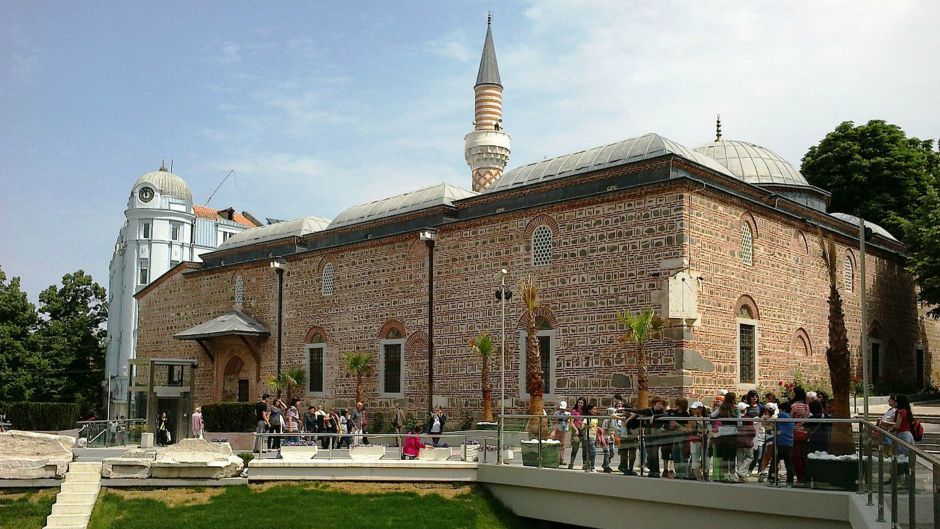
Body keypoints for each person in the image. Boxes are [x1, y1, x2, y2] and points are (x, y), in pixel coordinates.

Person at [769, 402, 795, 487]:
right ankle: (790, 481)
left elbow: (773, 418)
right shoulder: (790, 418)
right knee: (789, 463)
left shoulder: (782, 415)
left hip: (779, 443)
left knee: (774, 462)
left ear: (783, 410)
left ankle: (772, 479)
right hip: (789, 444)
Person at [789, 386, 810, 483]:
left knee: (796, 457)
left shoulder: (794, 406)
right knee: (803, 456)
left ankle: (799, 477)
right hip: (805, 433)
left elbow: (790, 418)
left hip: (796, 433)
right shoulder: (806, 406)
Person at [668, 398, 691, 479]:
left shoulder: (686, 415)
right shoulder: (674, 413)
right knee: (675, 455)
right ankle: (678, 473)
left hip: (683, 436)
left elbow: (687, 428)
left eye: (677, 404)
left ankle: (684, 473)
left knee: (683, 455)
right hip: (676, 436)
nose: (676, 406)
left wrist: (677, 424)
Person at [687, 402, 706, 481]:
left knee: (705, 459)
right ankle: (698, 477)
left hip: (704, 440)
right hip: (695, 440)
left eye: (695, 409)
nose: (693, 410)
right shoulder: (692, 418)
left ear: (700, 409)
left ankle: (705, 475)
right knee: (695, 458)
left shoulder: (706, 418)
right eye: (693, 409)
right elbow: (690, 429)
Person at [568, 397, 588, 470]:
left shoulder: (585, 412)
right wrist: (576, 429)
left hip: (583, 430)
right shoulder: (574, 411)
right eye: (579, 402)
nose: (580, 404)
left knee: (585, 448)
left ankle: (585, 464)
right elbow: (571, 422)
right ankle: (571, 463)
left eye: (582, 403)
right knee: (575, 447)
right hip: (576, 431)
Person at [550, 401, 571, 466]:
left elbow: (570, 422)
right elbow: (553, 421)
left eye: (563, 409)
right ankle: (554, 459)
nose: (562, 410)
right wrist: (557, 420)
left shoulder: (568, 414)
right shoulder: (556, 413)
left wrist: (566, 420)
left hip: (564, 430)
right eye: (561, 408)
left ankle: (561, 460)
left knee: (562, 445)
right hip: (557, 429)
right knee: (555, 444)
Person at [601, 406, 618, 473]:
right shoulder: (606, 420)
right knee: (607, 452)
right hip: (606, 438)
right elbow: (605, 430)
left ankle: (605, 463)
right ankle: (606, 466)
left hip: (611, 438)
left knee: (612, 453)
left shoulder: (614, 420)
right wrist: (611, 434)